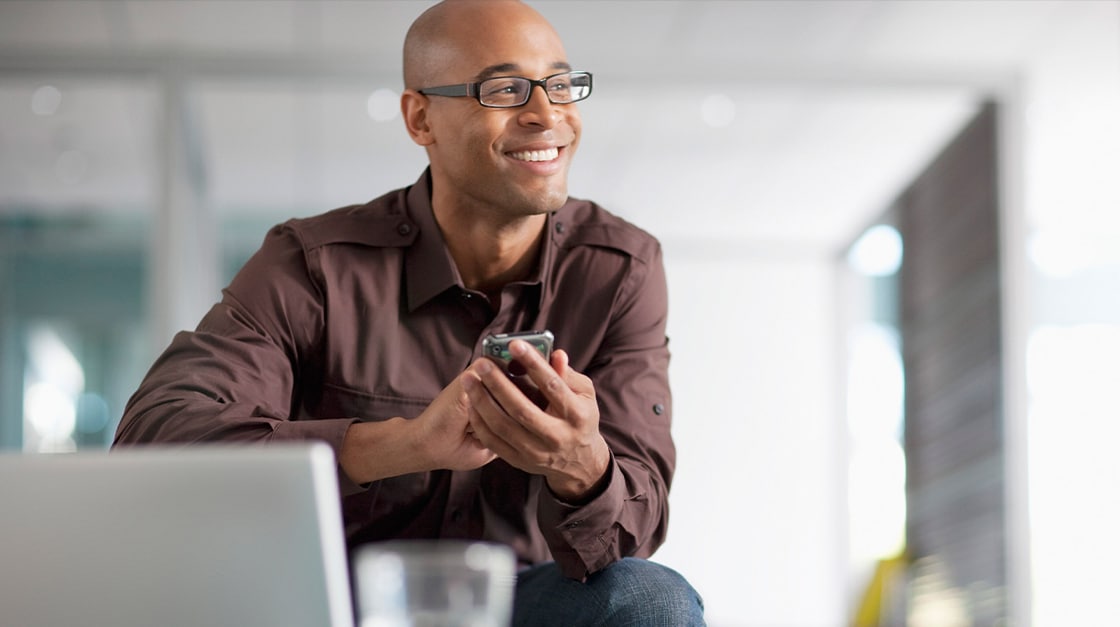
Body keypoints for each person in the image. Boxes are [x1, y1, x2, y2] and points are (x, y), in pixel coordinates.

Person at [112, 0, 704, 624]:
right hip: (340, 604)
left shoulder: (619, 269)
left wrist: (581, 464)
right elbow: (158, 442)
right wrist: (404, 444)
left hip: (517, 601)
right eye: (505, 89)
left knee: (650, 597)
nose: (546, 114)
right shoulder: (314, 264)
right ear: (421, 118)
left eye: (559, 84)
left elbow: (626, 539)